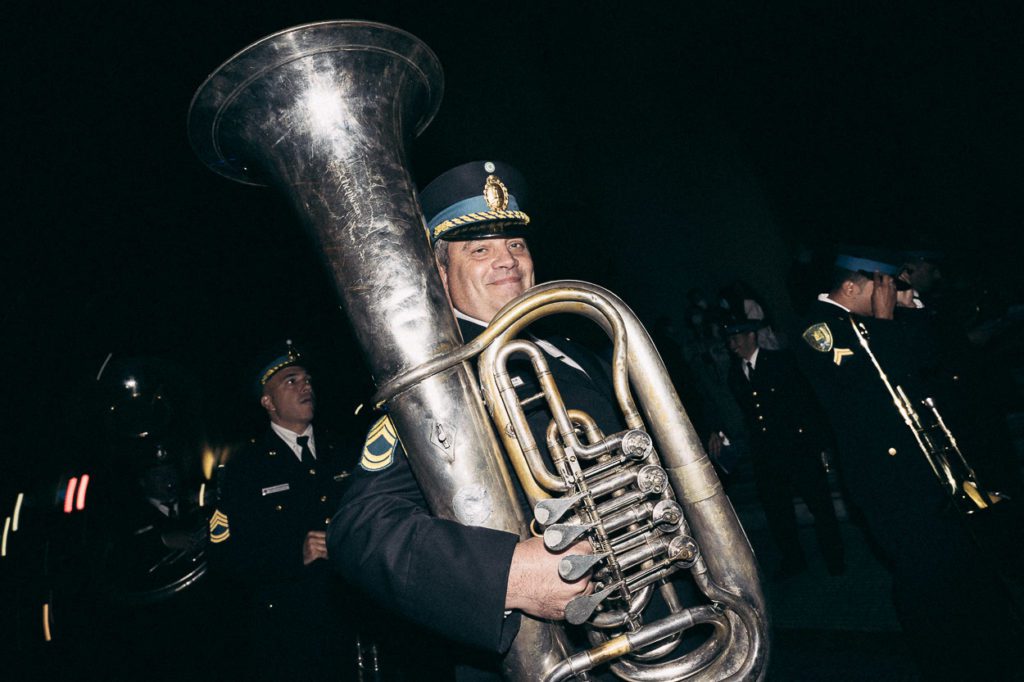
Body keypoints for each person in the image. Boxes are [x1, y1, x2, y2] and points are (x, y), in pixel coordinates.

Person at [327, 161, 638, 680]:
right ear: (440, 274)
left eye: (515, 243)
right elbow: (360, 531)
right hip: (551, 656)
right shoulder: (433, 386)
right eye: (479, 249)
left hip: (651, 628)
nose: (507, 260)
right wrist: (508, 576)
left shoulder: (573, 352)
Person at [793, 248, 1023, 680]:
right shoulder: (816, 329)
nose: (894, 293)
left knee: (963, 567)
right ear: (852, 286)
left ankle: (992, 652)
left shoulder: (875, 325)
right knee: (926, 581)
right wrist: (883, 323)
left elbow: (922, 363)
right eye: (887, 286)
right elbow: (869, 387)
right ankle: (946, 664)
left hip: (932, 471)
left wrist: (909, 312)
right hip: (889, 484)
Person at [208, 343, 359, 681]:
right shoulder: (246, 469)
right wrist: (295, 554)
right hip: (291, 628)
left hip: (355, 617)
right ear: (268, 402)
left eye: (307, 379)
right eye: (291, 381)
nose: (306, 386)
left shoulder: (344, 451)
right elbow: (225, 556)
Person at [708, 319, 843, 580]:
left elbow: (807, 403)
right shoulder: (735, 373)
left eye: (736, 338)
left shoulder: (781, 362)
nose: (732, 344)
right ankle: (793, 558)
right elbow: (733, 410)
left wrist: (820, 444)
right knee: (777, 510)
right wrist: (717, 429)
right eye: (729, 340)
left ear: (751, 337)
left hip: (797, 446)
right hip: (766, 452)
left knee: (819, 503)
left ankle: (834, 556)